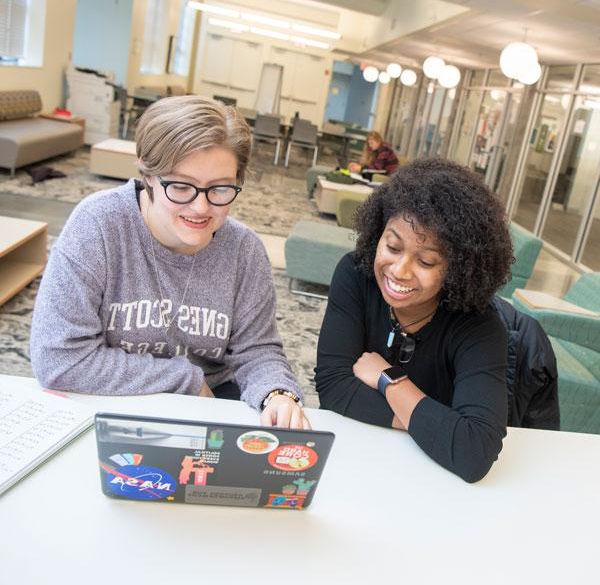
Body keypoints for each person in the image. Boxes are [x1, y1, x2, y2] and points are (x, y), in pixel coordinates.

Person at [30, 95, 310, 429]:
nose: (201, 208)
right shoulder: (97, 227)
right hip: (110, 402)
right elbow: (59, 357)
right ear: (147, 174)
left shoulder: (244, 250)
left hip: (211, 408)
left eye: (220, 189)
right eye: (180, 186)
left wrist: (277, 393)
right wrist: (184, 380)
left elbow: (258, 349)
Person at [315, 158, 514, 482]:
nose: (399, 270)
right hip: (357, 461)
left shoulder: (479, 326)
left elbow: (473, 452)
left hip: (435, 481)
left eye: (426, 260)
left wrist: (388, 379)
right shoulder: (355, 275)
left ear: (458, 269)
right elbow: (333, 387)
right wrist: (429, 420)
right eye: (392, 246)